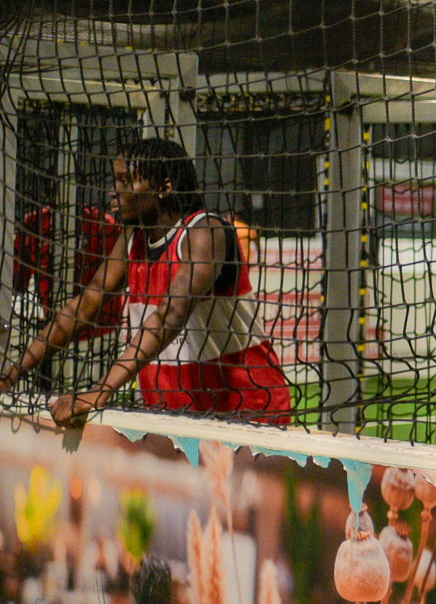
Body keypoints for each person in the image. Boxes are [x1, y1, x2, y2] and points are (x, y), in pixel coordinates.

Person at [0, 138, 291, 427]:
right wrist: (11, 374)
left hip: (246, 409)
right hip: (177, 414)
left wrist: (101, 389)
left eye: (125, 181)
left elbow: (170, 315)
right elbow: (84, 306)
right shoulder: (132, 238)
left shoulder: (205, 232)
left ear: (164, 187)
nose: (114, 191)